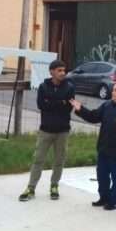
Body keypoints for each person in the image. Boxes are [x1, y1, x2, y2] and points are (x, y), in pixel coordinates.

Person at [70, 83, 116, 211]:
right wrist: (80, 109)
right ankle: (104, 197)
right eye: (113, 90)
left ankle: (114, 201)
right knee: (102, 175)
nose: (112, 93)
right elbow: (93, 116)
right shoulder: (107, 105)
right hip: (104, 148)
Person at [19, 60, 75, 201]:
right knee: (38, 159)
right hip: (46, 130)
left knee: (59, 160)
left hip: (63, 130)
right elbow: (41, 105)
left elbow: (69, 107)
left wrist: (52, 102)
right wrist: (59, 102)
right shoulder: (43, 87)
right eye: (59, 70)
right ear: (51, 72)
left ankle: (54, 186)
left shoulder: (69, 87)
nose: (63, 73)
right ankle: (31, 188)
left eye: (64, 70)